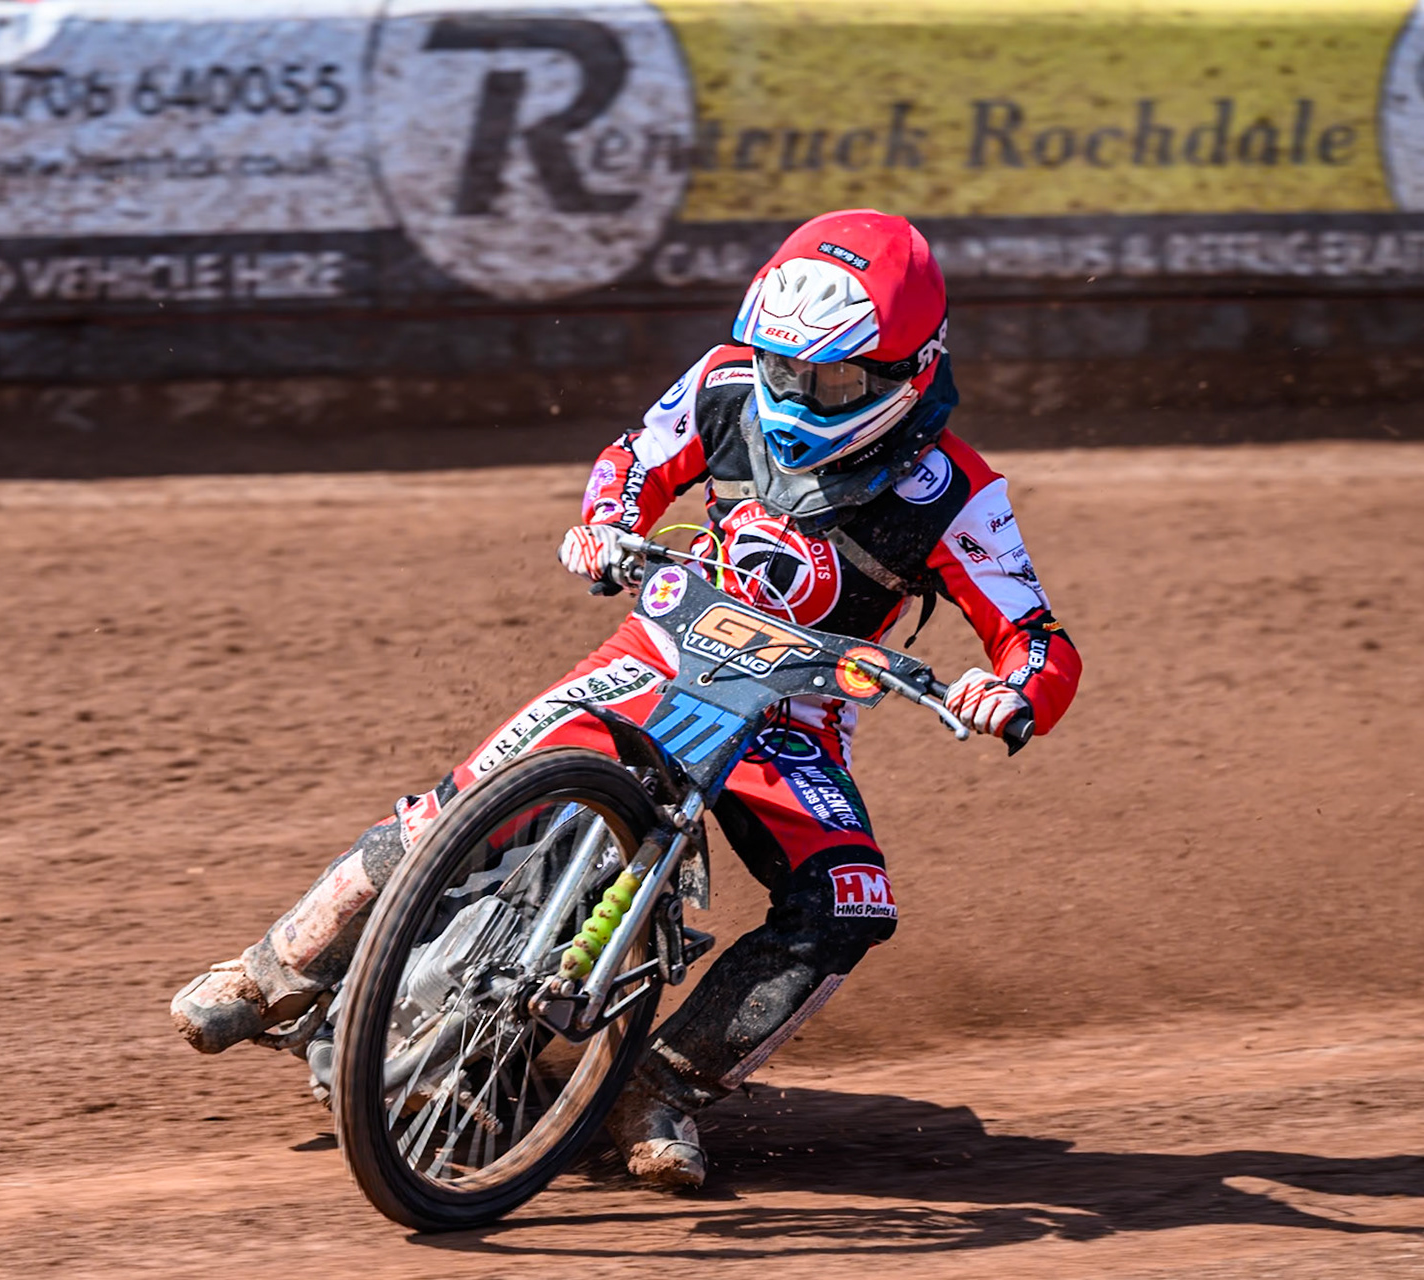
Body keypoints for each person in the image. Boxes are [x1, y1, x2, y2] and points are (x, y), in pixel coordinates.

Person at [170, 209, 1082, 1190]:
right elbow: (635, 461)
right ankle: (270, 970)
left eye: (829, 382)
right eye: (781, 366)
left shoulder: (957, 492)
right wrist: (606, 522)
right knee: (452, 809)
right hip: (656, 649)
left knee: (848, 900)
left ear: (912, 369)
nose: (792, 393)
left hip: (791, 719)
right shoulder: (726, 380)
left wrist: (1012, 692)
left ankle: (660, 1085)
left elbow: (1036, 636)